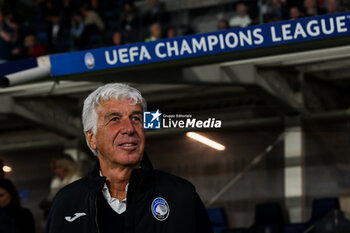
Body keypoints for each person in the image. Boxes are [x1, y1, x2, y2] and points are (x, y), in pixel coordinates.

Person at [46, 83, 213, 233]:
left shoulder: (181, 196)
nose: (129, 128)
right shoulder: (66, 202)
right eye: (114, 119)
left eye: (136, 118)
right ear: (92, 138)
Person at [40, 153, 81, 219]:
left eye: (59, 167)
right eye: (55, 168)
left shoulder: (77, 180)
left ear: (67, 166)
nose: (56, 171)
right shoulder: (55, 182)